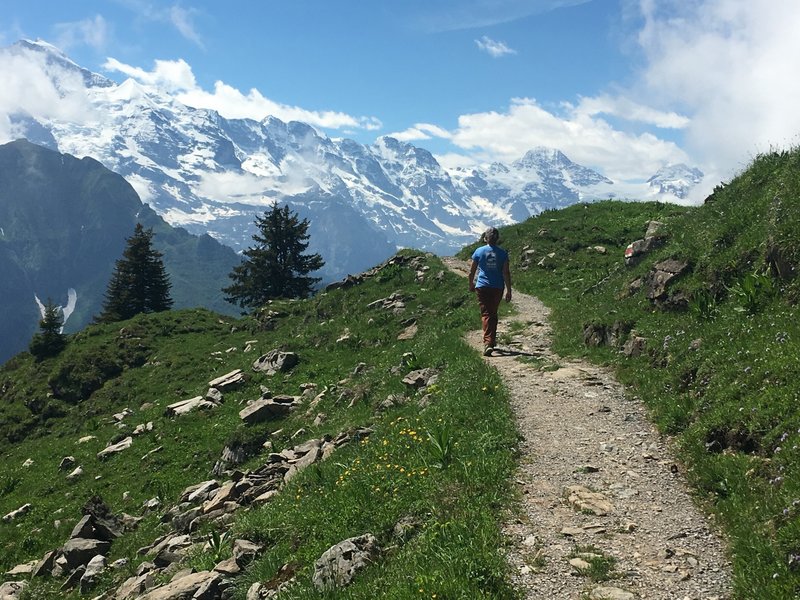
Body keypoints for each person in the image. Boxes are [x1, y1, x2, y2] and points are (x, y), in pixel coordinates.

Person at [468, 226, 512, 356]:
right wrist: (509, 290)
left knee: (486, 313)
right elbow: (506, 273)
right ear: (497, 239)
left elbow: (472, 271)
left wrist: (471, 284)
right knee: (492, 312)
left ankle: (488, 343)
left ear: (485, 238)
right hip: (497, 286)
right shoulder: (503, 254)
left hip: (482, 285)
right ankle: (491, 341)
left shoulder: (479, 251)